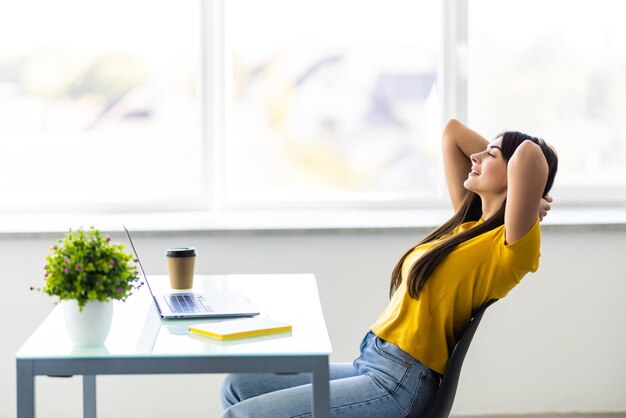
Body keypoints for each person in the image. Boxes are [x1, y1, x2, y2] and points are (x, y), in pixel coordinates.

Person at [219, 119, 559, 418]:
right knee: (239, 385)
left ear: (514, 174)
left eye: (492, 155)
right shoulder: (469, 224)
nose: (476, 156)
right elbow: (452, 132)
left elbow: (528, 153)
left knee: (242, 415)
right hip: (371, 362)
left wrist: (530, 198)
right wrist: (508, 172)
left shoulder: (510, 248)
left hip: (400, 384)